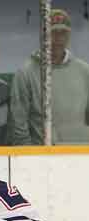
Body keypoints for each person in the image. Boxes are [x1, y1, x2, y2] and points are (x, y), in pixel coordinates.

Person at [10, 8, 89, 145]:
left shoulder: (85, 70)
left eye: (63, 32)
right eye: (53, 32)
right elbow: (19, 125)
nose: (58, 38)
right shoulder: (25, 74)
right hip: (44, 159)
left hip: (81, 155)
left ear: (69, 35)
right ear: (43, 35)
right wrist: (29, 158)